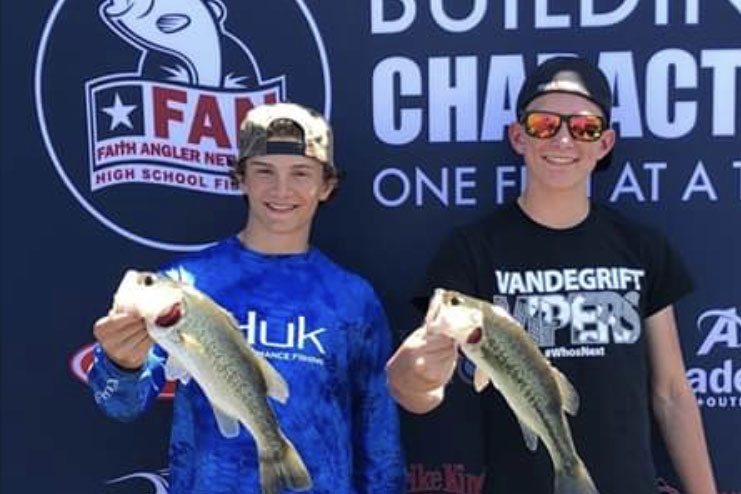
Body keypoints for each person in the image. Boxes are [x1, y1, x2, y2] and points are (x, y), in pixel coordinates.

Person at [385, 57, 717, 494]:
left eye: (584, 127)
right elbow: (418, 393)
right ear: (518, 136)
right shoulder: (471, 250)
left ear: (605, 143)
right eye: (544, 124)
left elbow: (672, 393)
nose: (562, 138)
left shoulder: (642, 248)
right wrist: (412, 374)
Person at [87, 102, 404, 494]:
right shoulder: (184, 284)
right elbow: (121, 404)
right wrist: (121, 363)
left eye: (301, 173)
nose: (281, 189)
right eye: (264, 171)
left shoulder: (354, 298)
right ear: (241, 178)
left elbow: (379, 439)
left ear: (326, 186)